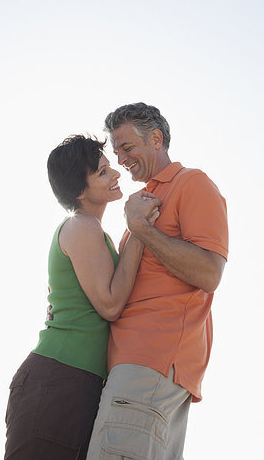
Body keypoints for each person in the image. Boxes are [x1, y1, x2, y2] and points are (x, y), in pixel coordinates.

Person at [86, 103, 229, 460]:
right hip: (139, 370)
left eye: (127, 147)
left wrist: (141, 229)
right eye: (116, 151)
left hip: (148, 365)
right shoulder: (145, 201)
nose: (121, 159)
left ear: (156, 138)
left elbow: (210, 273)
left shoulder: (190, 183)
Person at [4, 135, 160, 460]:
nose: (116, 174)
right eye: (103, 172)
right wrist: (140, 229)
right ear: (79, 191)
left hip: (73, 383)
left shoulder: (94, 232)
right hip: (58, 380)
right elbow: (111, 305)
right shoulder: (82, 226)